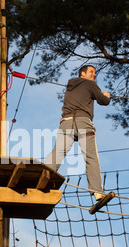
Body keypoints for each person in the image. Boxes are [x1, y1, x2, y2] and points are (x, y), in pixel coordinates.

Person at [44, 65, 110, 202]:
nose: (94, 75)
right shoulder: (90, 84)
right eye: (91, 72)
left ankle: (42, 181)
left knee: (57, 153)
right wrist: (106, 96)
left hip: (66, 122)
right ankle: (97, 191)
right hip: (83, 122)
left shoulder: (70, 86)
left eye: (95, 73)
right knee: (91, 156)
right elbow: (103, 101)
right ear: (83, 74)